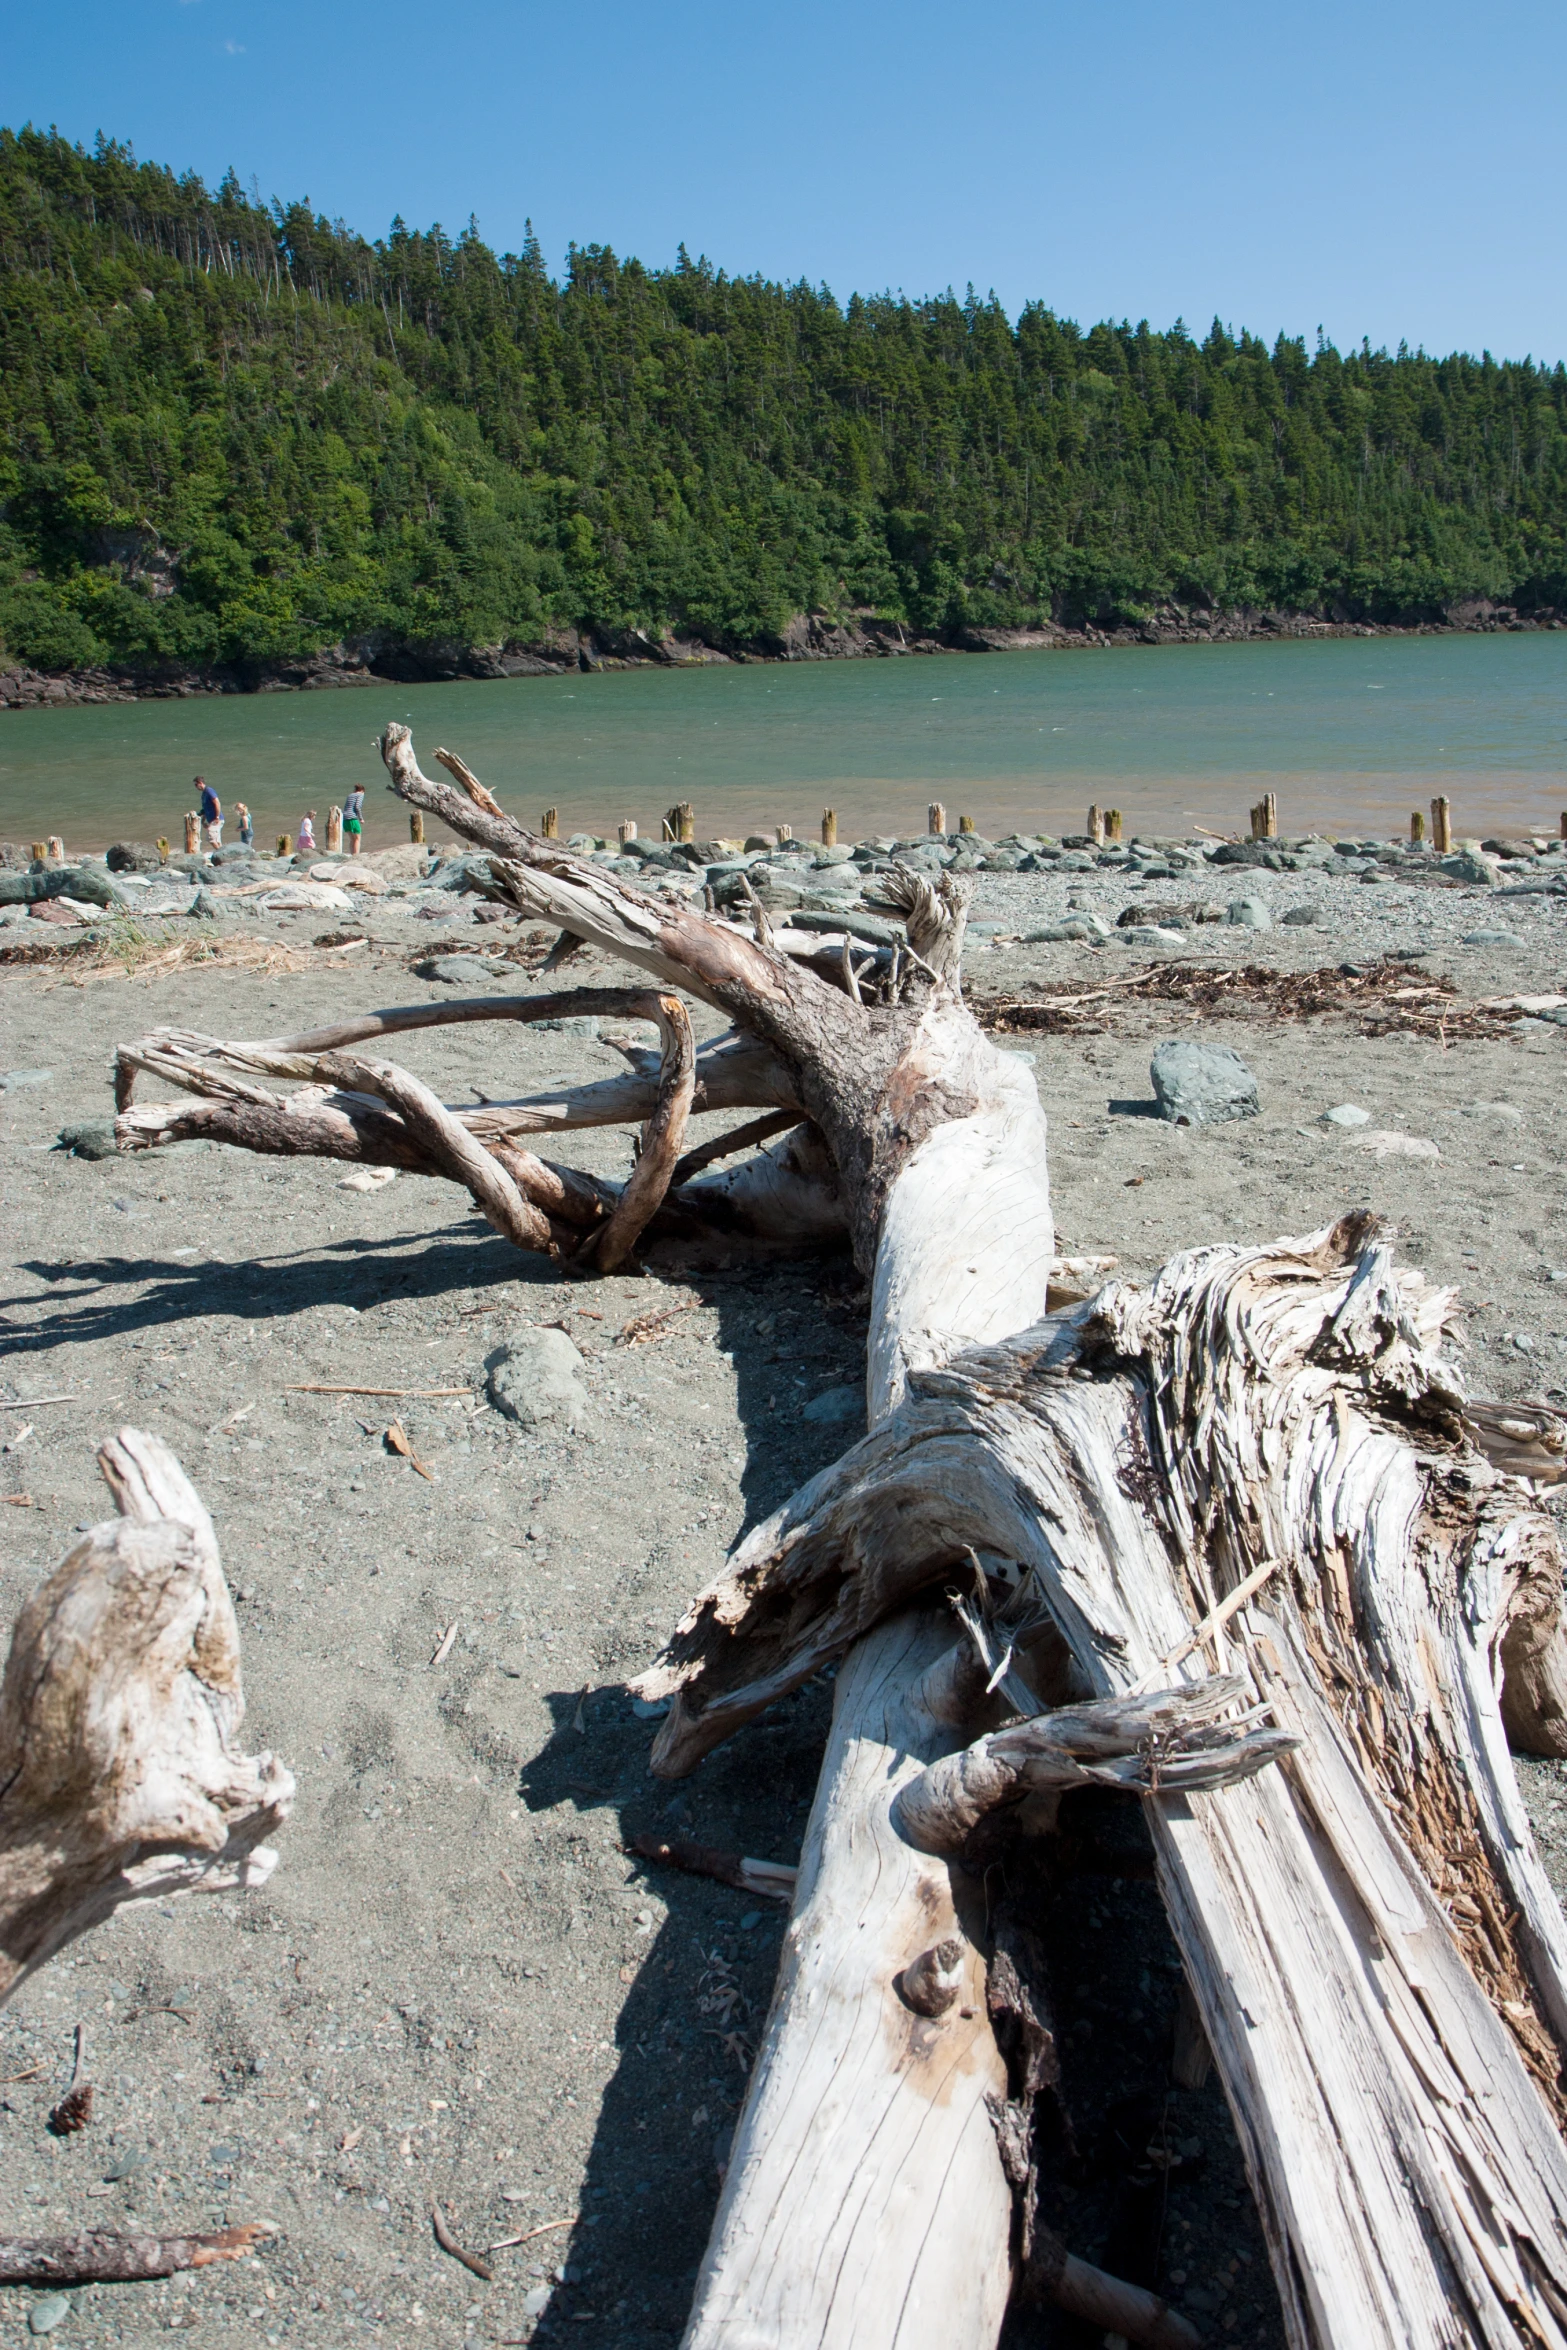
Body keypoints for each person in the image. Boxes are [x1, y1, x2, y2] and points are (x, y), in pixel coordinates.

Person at [197, 776, 222, 851]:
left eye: (196, 785)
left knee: (210, 838)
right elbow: (205, 809)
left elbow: (217, 803)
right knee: (217, 841)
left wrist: (217, 817)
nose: (196, 787)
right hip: (211, 820)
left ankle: (220, 854)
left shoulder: (209, 791)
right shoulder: (203, 794)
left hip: (216, 820)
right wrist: (203, 821)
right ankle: (223, 855)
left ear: (200, 783)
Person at [343, 786, 365, 856]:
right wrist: (361, 818)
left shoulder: (350, 795)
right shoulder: (360, 795)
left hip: (345, 818)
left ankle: (352, 855)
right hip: (352, 818)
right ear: (362, 791)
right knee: (357, 839)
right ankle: (356, 856)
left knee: (352, 839)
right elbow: (357, 806)